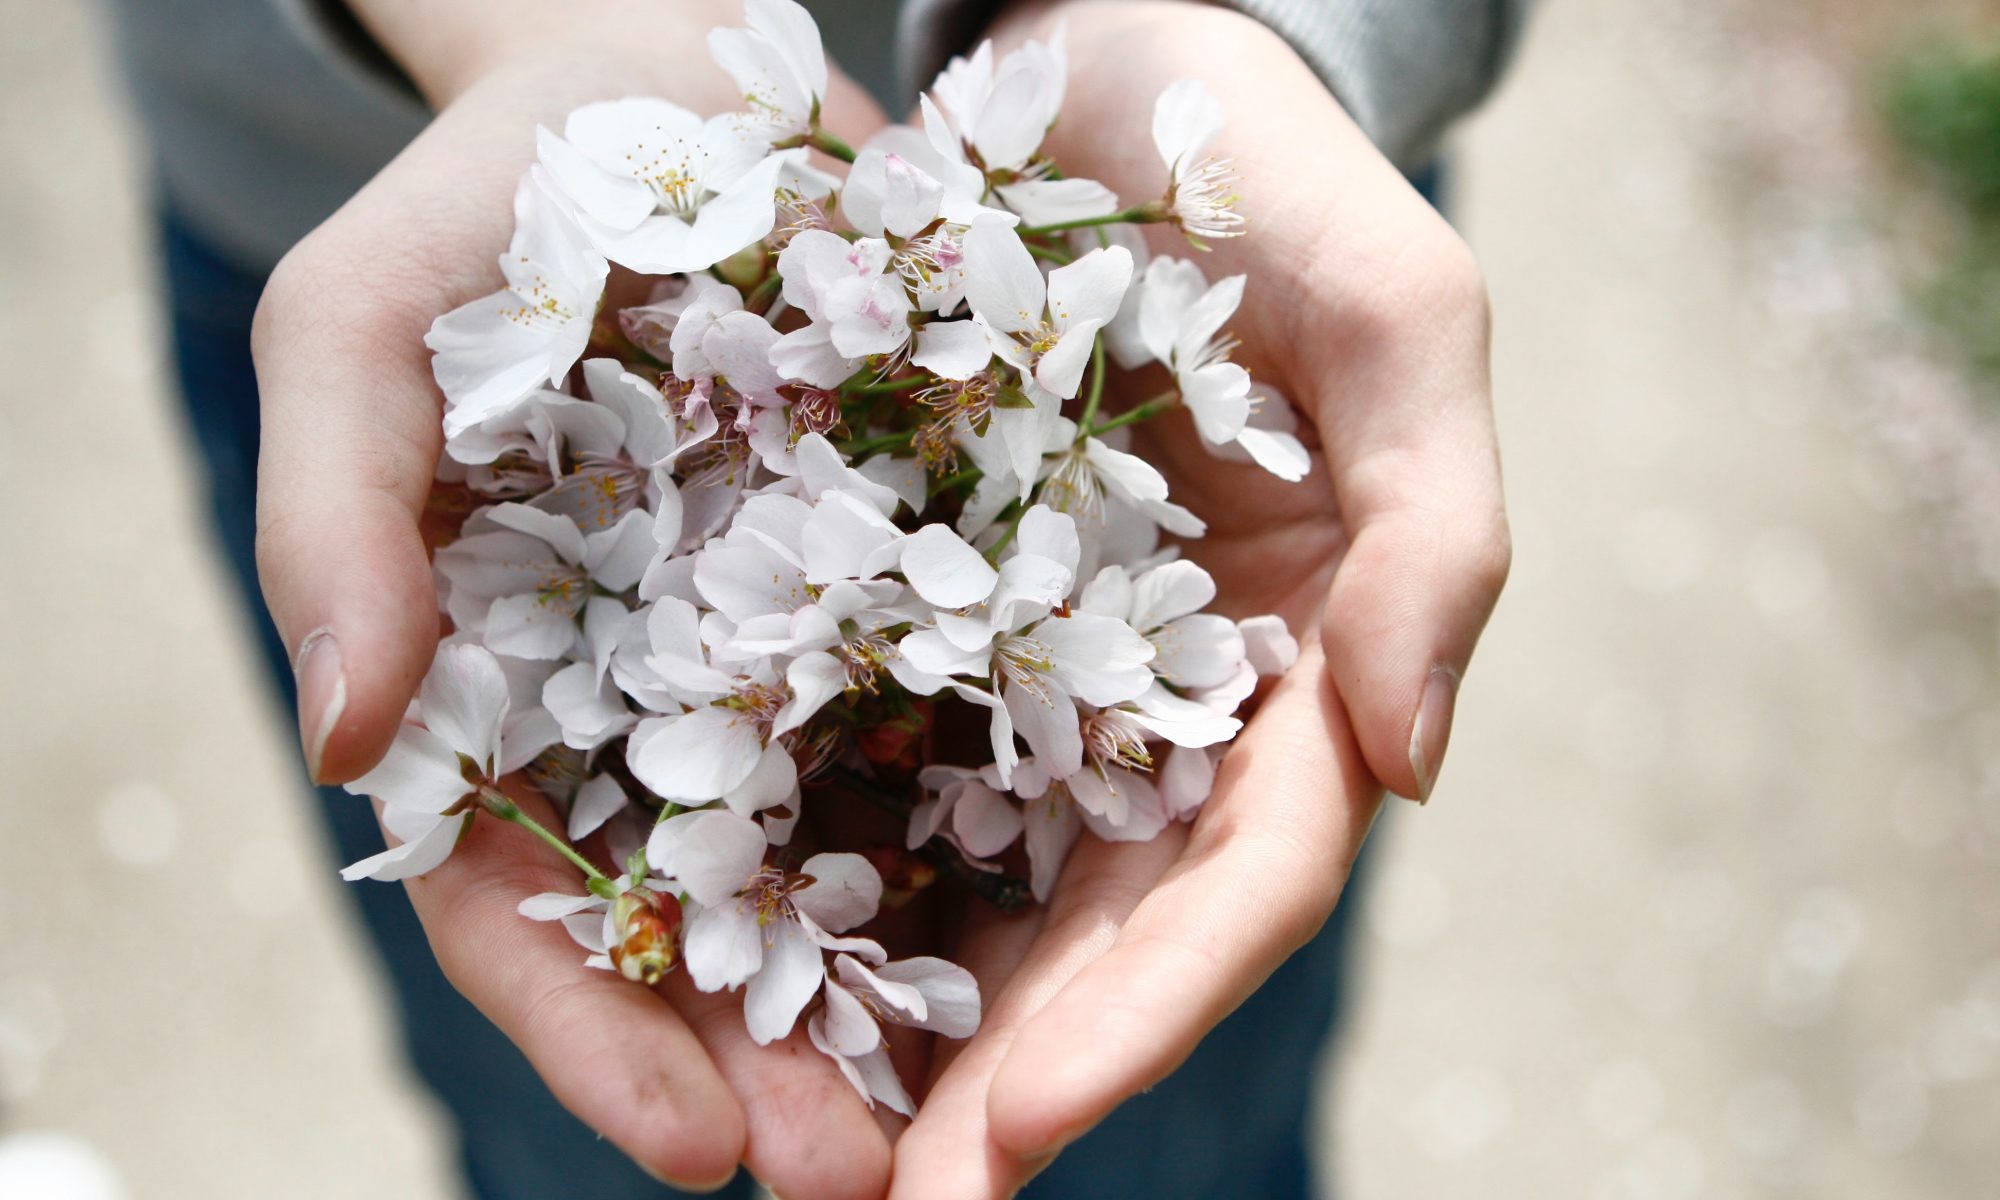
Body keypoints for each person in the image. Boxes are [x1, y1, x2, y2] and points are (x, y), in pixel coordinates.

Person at [107, 0, 1520, 1195]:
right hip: (358, 198)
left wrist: (1227, 22)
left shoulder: (1074, 374)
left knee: (1175, 1131)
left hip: (1202, 178)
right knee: (573, 1130)